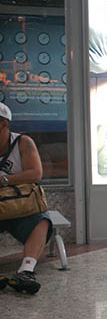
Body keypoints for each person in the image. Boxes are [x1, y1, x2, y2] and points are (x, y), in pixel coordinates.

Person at [0, 102, 52, 294]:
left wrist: (5, 180)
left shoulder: (23, 142)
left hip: (20, 205)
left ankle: (26, 271)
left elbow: (35, 173)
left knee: (41, 221)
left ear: (4, 124)